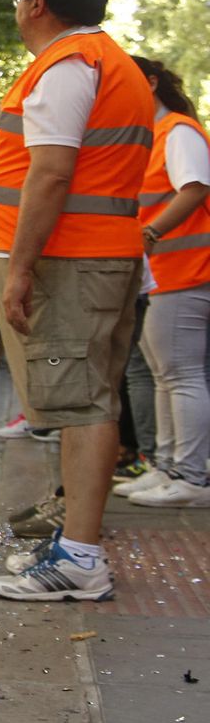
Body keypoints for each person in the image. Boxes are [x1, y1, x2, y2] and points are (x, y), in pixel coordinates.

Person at [0, 0, 153, 601]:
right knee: (88, 401)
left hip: (70, 263)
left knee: (81, 406)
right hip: (90, 258)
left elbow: (49, 173)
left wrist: (20, 268)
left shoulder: (68, 65)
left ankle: (80, 558)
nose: (18, 7)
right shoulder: (103, 63)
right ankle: (75, 545)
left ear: (37, 4)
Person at [125, 56, 210, 508]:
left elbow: (195, 187)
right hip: (166, 274)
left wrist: (151, 233)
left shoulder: (177, 131)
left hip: (187, 270)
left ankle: (192, 478)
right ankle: (167, 468)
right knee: (167, 375)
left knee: (180, 375)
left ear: (152, 83)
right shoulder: (154, 136)